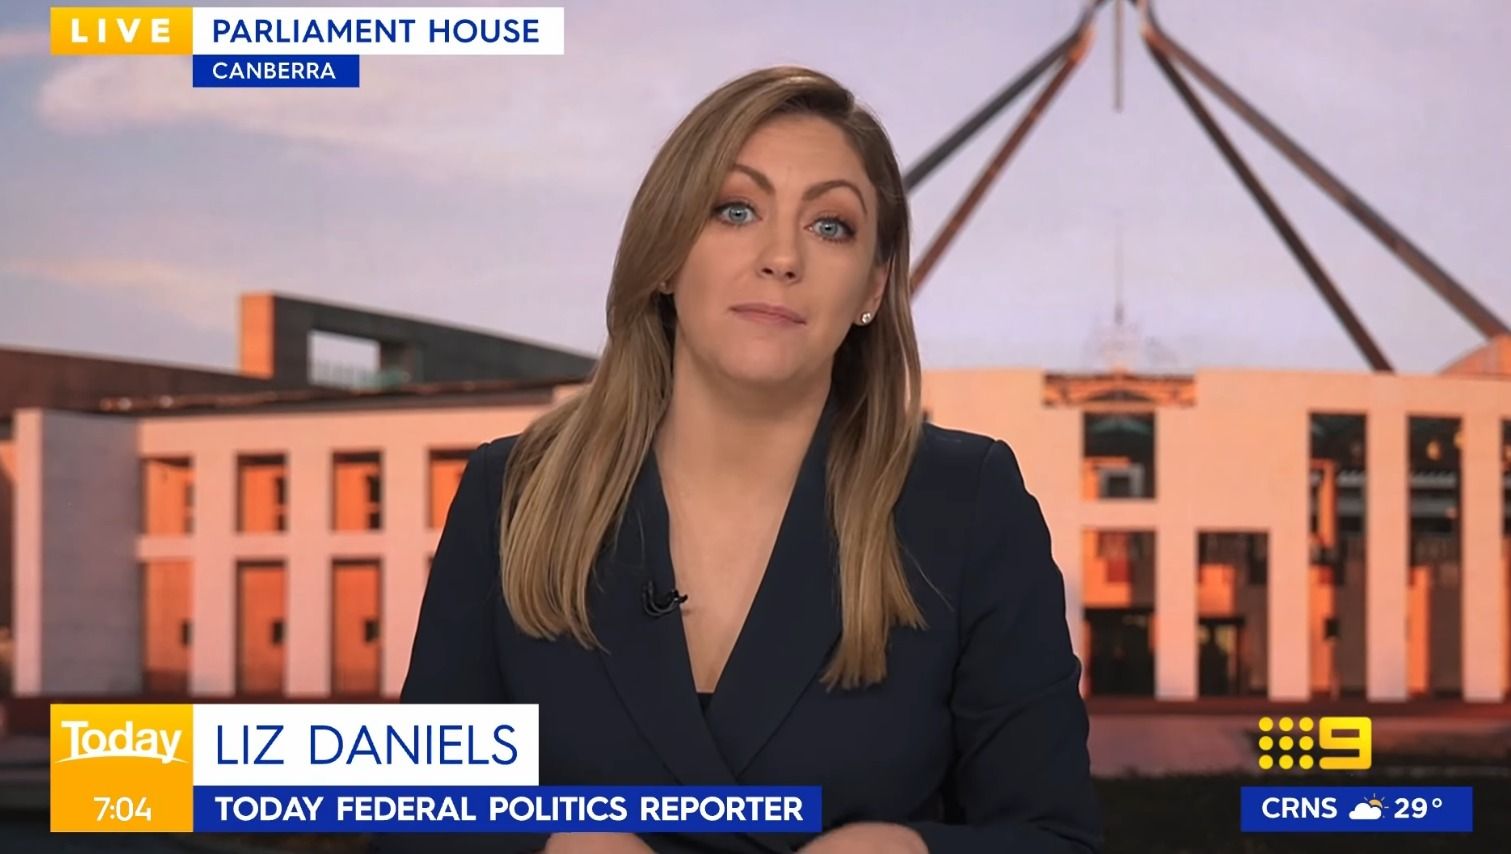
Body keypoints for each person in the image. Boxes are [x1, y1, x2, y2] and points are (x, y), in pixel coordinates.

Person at [396, 65, 1102, 854]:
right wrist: (550, 850)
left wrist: (909, 851)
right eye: (735, 210)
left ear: (872, 288)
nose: (781, 257)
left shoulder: (967, 503)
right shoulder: (510, 493)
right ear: (665, 255)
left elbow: (1053, 838)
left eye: (829, 225)